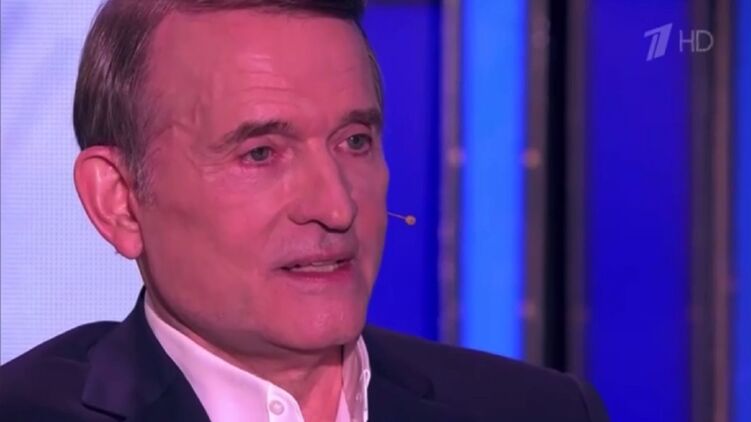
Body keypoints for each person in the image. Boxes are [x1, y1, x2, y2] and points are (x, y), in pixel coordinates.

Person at [0, 1, 608, 421]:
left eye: (355, 141)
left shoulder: (540, 411)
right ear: (118, 202)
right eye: (260, 152)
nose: (336, 206)